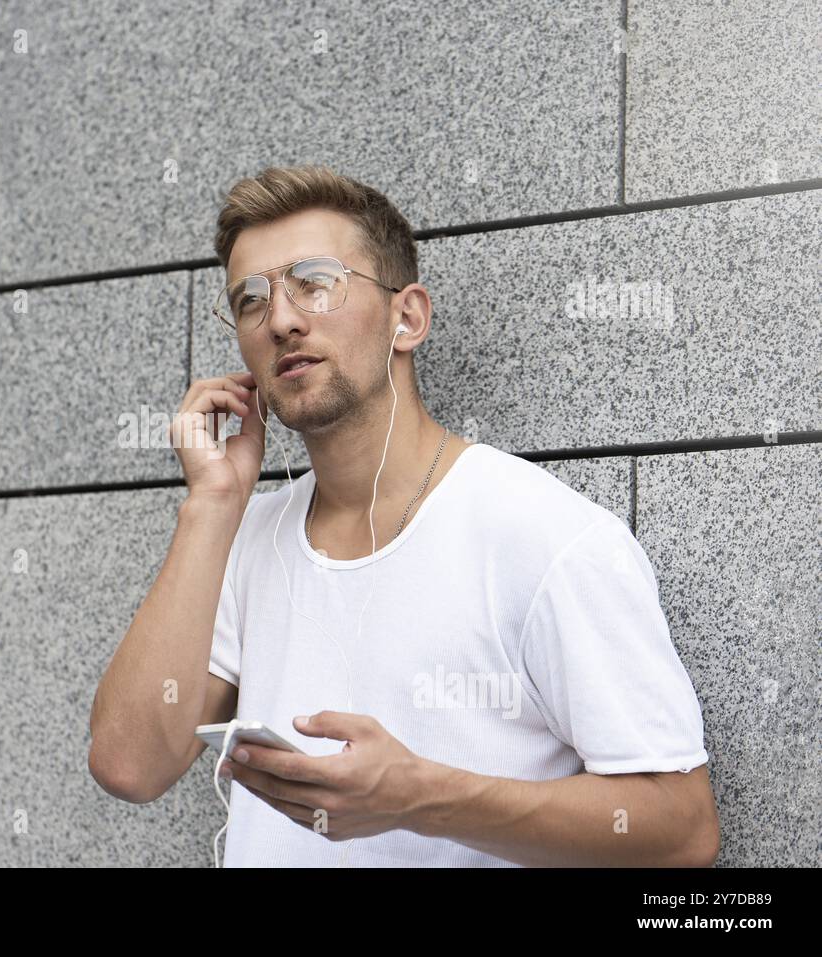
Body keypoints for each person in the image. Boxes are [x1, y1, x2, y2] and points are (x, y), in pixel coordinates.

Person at [89, 164, 719, 867]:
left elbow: (682, 827)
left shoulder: (546, 535)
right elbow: (129, 764)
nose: (282, 319)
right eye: (250, 300)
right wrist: (210, 504)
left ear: (407, 317)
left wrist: (421, 796)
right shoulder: (243, 537)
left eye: (316, 281)